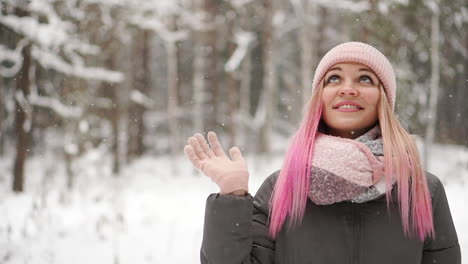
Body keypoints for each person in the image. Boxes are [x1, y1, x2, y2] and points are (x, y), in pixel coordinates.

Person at [183, 42, 461, 264]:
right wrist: (232, 197)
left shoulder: (422, 190)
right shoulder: (281, 188)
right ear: (320, 97)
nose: (348, 89)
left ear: (384, 100)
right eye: (334, 78)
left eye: (365, 79)